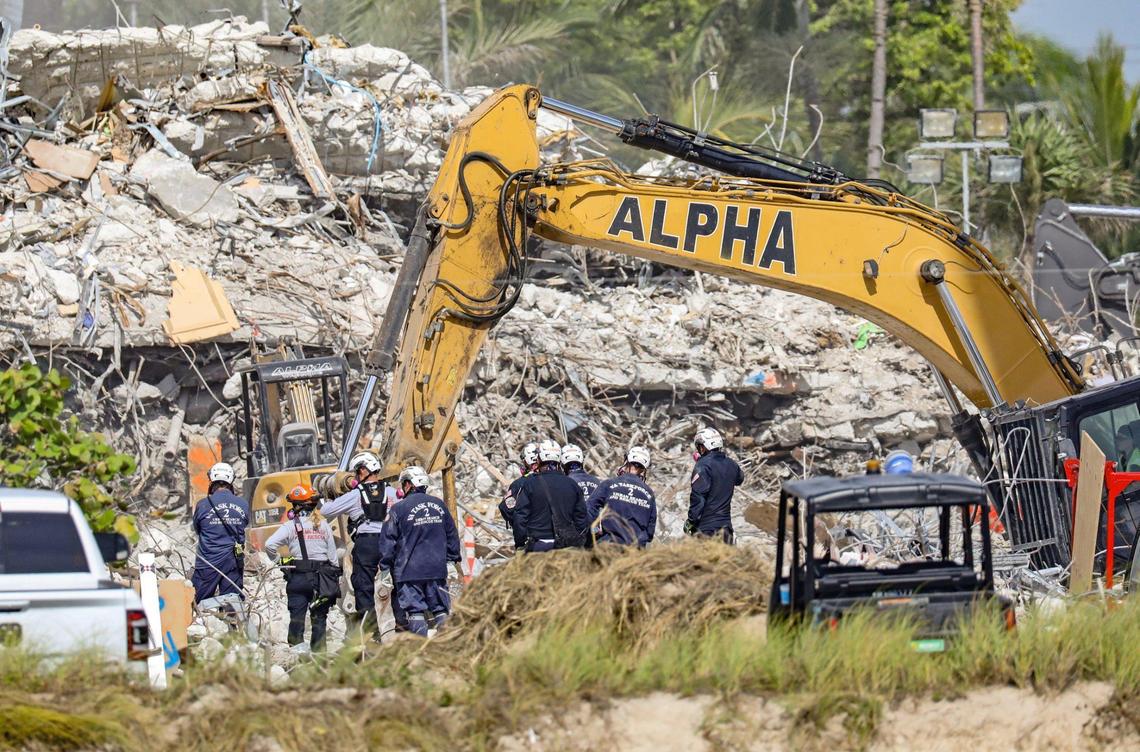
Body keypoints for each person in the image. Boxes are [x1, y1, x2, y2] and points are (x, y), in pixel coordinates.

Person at [379, 465, 462, 637]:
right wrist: (451, 560)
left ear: (409, 484)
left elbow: (388, 540)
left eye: (404, 483)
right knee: (441, 609)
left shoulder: (398, 509)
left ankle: (420, 652)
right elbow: (452, 535)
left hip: (409, 572)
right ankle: (447, 646)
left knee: (415, 611)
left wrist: (385, 568)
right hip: (437, 570)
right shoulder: (439, 505)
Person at [320, 451, 392, 638]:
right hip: (390, 541)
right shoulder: (391, 492)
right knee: (397, 583)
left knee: (363, 588)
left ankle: (372, 635)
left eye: (357, 472)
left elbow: (326, 511)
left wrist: (330, 497)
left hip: (366, 544)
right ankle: (401, 627)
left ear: (363, 471)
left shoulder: (355, 495)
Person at [264, 483, 341, 653]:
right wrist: (333, 579)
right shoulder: (323, 525)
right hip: (322, 578)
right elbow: (333, 559)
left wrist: (280, 562)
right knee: (319, 619)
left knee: (297, 618)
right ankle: (319, 656)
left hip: (298, 577)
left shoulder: (291, 526)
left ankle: (298, 657)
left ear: (297, 506)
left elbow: (269, 545)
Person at [190, 462, 250, 604]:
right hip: (234, 561)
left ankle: (200, 625)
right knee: (233, 604)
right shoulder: (243, 504)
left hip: (208, 561)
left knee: (198, 603)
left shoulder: (203, 504)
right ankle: (234, 626)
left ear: (212, 481)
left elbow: (198, 529)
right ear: (231, 481)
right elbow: (244, 525)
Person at [514, 439, 589, 552]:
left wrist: (520, 542)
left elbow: (520, 516)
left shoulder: (529, 484)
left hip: (538, 545)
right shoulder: (572, 484)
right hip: (565, 547)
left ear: (539, 459)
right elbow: (581, 518)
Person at [586, 446, 657, 547]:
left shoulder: (609, 484)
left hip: (608, 546)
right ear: (643, 470)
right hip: (635, 552)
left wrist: (594, 530)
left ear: (627, 461)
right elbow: (650, 533)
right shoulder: (649, 494)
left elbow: (589, 507)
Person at [685, 427, 743, 544]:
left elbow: (698, 498)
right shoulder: (732, 464)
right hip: (726, 528)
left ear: (703, 446)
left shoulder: (703, 465)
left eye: (699, 447)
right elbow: (740, 479)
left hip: (707, 529)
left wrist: (691, 521)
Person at [499, 442, 539, 550]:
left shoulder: (520, 484)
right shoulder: (556, 480)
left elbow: (506, 508)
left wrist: (520, 541)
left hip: (529, 540)